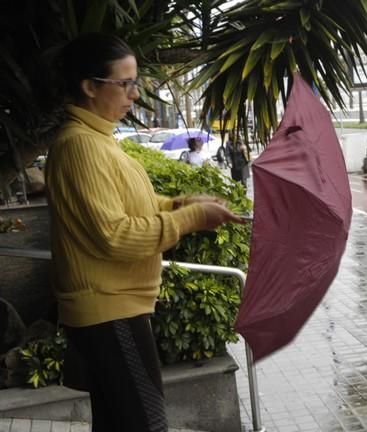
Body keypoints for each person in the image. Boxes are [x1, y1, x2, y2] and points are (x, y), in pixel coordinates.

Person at [45, 33, 244, 432]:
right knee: (144, 423)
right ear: (89, 86)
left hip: (117, 307)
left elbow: (134, 204)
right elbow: (114, 235)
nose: (134, 95)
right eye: (126, 84)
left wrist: (183, 205)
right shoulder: (81, 146)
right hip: (109, 309)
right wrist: (190, 219)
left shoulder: (98, 140)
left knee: (120, 422)